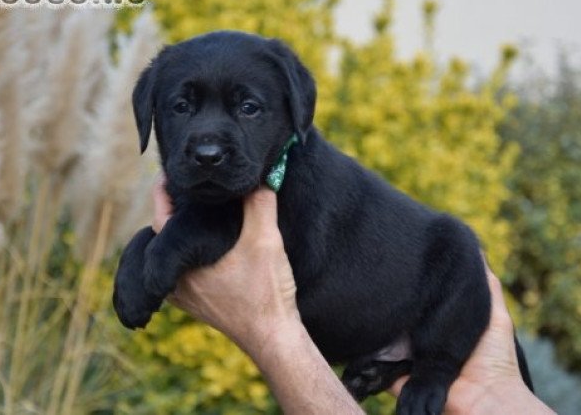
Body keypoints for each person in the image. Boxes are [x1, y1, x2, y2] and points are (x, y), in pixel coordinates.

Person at [151, 177, 555, 414]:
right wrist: (497, 392)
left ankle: (429, 367)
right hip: (382, 323)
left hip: (400, 325)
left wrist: (268, 330)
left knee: (456, 244)